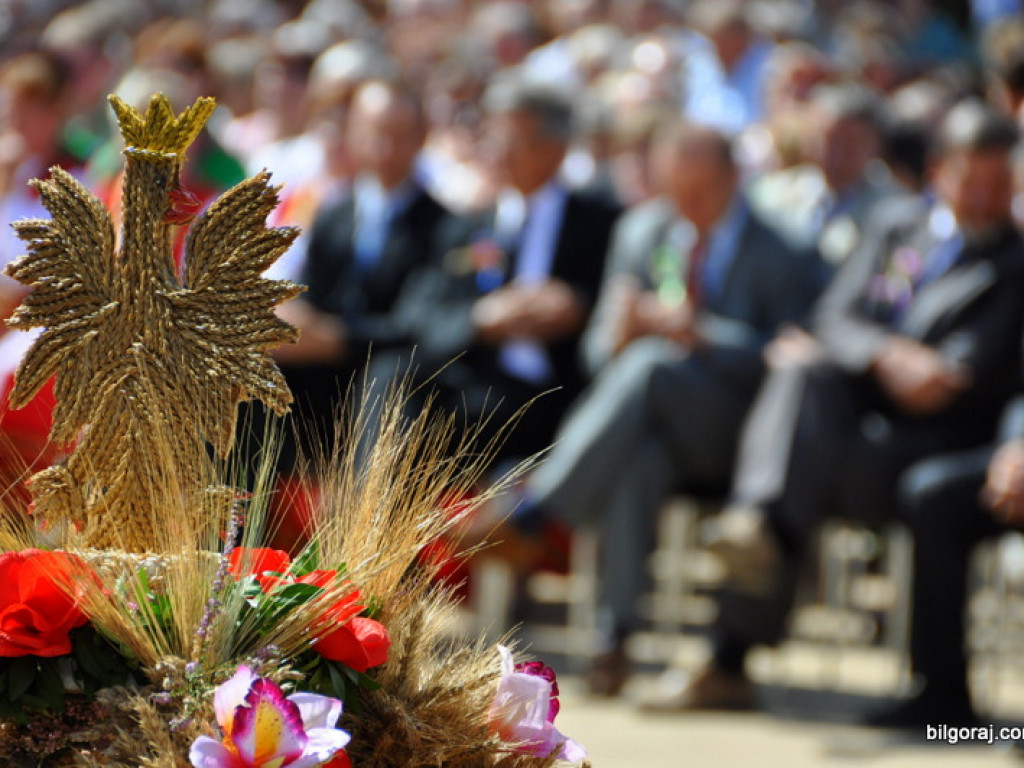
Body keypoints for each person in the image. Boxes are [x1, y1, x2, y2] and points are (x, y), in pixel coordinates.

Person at [661, 99, 1024, 713]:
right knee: (802, 369)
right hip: (858, 420)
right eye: (972, 181)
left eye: (1000, 184)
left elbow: (966, 369)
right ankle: (754, 534)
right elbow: (833, 315)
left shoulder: (1014, 259)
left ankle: (732, 643)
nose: (985, 199)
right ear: (940, 173)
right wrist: (887, 354)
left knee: (800, 464)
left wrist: (907, 364)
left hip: (941, 437)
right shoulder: (896, 228)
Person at [489, 120, 818, 696]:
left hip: (740, 432)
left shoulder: (784, 248)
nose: (688, 205)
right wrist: (619, 331)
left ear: (734, 178)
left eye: (702, 190)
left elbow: (791, 358)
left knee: (651, 368)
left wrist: (703, 333)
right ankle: (613, 638)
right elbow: (595, 354)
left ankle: (538, 509)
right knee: (641, 454)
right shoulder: (645, 231)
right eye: (677, 189)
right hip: (649, 422)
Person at [390, 78, 620, 464]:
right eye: (492, 139)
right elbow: (418, 316)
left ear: (555, 149)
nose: (497, 153)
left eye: (512, 141)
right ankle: (368, 518)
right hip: (478, 383)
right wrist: (482, 320)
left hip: (559, 395)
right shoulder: (467, 226)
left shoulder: (603, 223)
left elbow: (619, 298)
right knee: (391, 377)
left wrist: (577, 307)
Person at [270, 79, 449, 474]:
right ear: (352, 132)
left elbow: (416, 327)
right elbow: (312, 296)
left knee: (387, 380)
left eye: (398, 136)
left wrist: (338, 338)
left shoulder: (445, 227)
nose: (383, 149)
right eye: (373, 134)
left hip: (388, 378)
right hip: (320, 377)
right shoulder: (333, 214)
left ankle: (362, 526)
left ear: (422, 138)